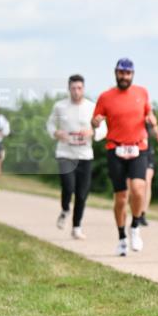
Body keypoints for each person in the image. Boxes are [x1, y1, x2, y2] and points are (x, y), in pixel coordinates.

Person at [92, 58, 152, 256]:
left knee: (138, 189)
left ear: (132, 74)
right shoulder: (105, 97)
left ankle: (135, 227)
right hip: (115, 149)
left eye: (127, 73)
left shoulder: (142, 93)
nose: (124, 76)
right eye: (121, 73)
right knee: (121, 198)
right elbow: (95, 121)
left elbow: (148, 114)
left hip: (138, 148)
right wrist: (95, 122)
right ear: (115, 73)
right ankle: (121, 238)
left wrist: (152, 120)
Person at [47, 74, 103, 239]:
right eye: (73, 88)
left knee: (82, 194)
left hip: (85, 155)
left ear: (83, 89)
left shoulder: (92, 107)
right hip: (65, 153)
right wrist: (56, 132)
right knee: (68, 186)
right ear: (69, 89)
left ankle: (77, 227)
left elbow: (104, 128)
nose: (76, 91)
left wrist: (93, 132)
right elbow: (50, 124)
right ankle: (65, 209)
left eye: (79, 88)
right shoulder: (60, 106)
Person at [130, 115, 158, 226]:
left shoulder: (148, 112)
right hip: (132, 150)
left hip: (147, 152)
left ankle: (142, 214)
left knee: (147, 181)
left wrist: (157, 132)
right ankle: (136, 212)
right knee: (134, 185)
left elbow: (155, 133)